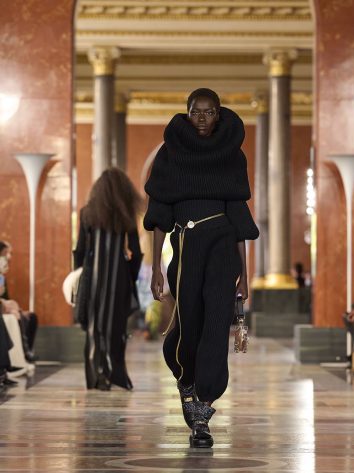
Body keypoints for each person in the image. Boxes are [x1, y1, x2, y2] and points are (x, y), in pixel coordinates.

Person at [143, 88, 259, 448]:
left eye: (209, 112)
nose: (202, 119)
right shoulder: (171, 153)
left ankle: (203, 409)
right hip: (186, 245)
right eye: (196, 112)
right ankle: (187, 381)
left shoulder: (231, 154)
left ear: (219, 114)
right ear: (187, 113)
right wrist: (156, 268)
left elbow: (239, 217)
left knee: (216, 324)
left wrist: (245, 275)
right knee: (189, 321)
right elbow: (159, 213)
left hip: (223, 248)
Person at [74, 168, 143, 391]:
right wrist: (130, 277)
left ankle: (96, 376)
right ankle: (116, 374)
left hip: (92, 277)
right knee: (116, 328)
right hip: (118, 277)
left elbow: (80, 250)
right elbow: (136, 252)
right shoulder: (125, 215)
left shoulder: (87, 213)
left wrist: (78, 276)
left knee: (94, 327)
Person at [0, 241, 37, 363]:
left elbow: (5, 296)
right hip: (3, 308)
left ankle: (26, 351)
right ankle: (23, 353)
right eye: (6, 253)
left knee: (31, 316)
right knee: (16, 315)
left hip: (5, 306)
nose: (9, 257)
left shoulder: (2, 276)